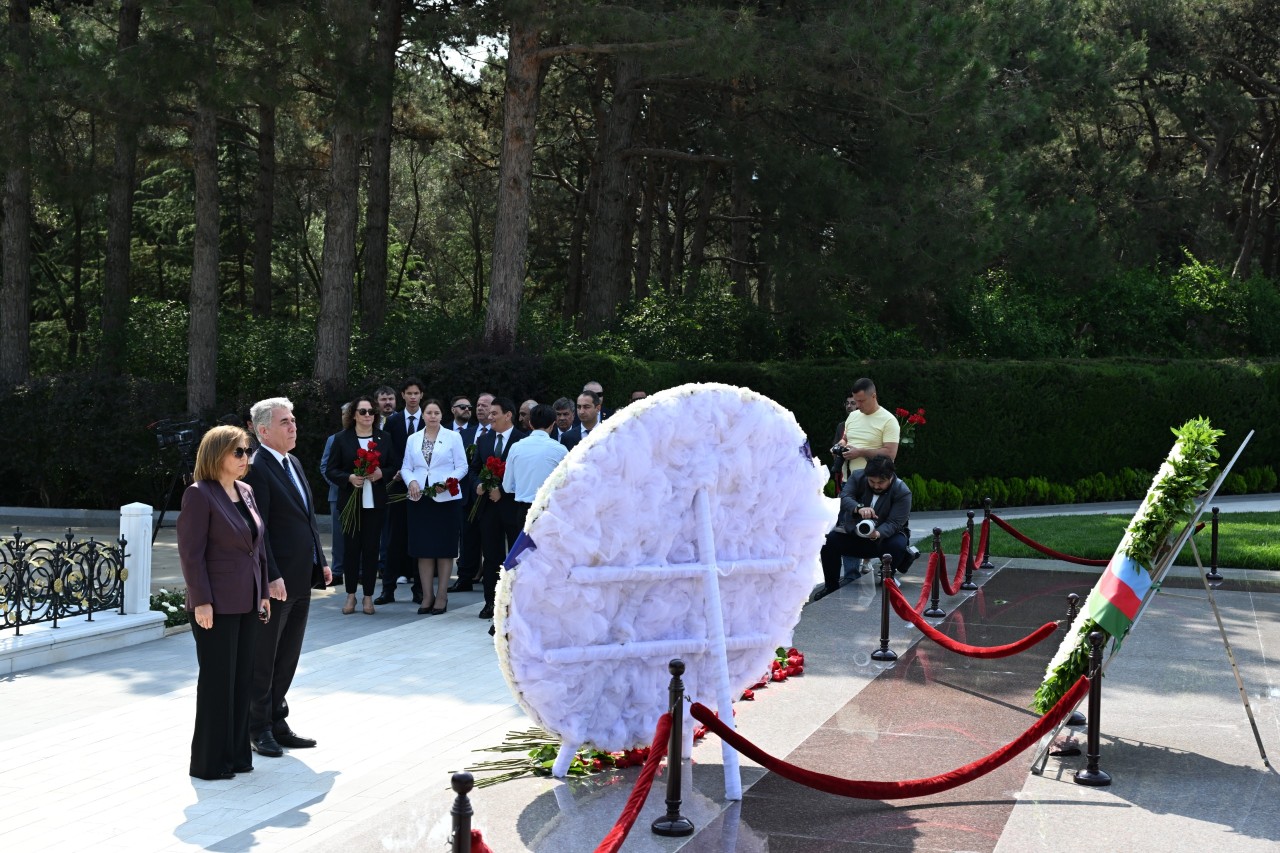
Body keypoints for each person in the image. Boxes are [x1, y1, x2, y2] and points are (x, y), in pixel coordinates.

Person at [178, 425, 272, 781]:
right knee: (218, 681)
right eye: (238, 452)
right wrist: (201, 601)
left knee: (241, 680)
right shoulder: (199, 494)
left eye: (247, 451)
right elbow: (191, 554)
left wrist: (263, 591)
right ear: (217, 454)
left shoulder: (246, 491)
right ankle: (209, 762)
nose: (245, 458)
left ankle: (236, 756)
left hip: (248, 600)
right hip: (215, 604)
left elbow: (258, 547)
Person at [243, 397, 331, 759]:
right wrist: (271, 576)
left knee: (288, 656)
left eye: (293, 419)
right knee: (265, 656)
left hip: (301, 577)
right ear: (263, 430)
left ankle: (278, 720)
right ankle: (257, 727)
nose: (293, 426)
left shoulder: (292, 461)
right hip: (277, 583)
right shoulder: (257, 467)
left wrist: (321, 560)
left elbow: (307, 518)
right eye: (284, 422)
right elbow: (258, 529)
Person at [325, 395, 396, 616]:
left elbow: (394, 465)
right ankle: (350, 596)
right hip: (350, 504)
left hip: (375, 504)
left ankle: (368, 597)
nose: (367, 415)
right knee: (351, 551)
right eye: (363, 411)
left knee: (371, 550)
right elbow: (330, 469)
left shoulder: (384, 438)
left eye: (371, 412)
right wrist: (348, 478)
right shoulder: (341, 438)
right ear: (353, 414)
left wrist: (380, 474)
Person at [401, 398, 469, 615]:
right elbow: (406, 467)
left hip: (445, 500)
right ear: (423, 415)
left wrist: (448, 482)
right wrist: (411, 481)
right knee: (424, 550)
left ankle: (442, 596)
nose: (432, 416)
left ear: (442, 415)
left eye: (436, 413)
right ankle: (427, 595)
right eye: (429, 412)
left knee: (444, 550)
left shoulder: (453, 437)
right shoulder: (413, 439)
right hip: (420, 499)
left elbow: (462, 466)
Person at [818, 455, 916, 597]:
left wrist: (877, 533)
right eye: (872, 481)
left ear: (891, 477)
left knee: (898, 544)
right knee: (829, 541)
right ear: (866, 475)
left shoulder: (902, 491)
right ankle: (831, 586)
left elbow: (895, 523)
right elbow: (844, 496)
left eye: (881, 482)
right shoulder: (858, 476)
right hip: (854, 535)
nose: (876, 486)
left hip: (884, 540)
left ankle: (887, 575)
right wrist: (858, 508)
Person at [472, 396, 528, 618]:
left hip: (513, 508)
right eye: (489, 413)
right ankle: (490, 603)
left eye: (494, 413)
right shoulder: (484, 440)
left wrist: (502, 490)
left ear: (508, 415)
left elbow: (523, 475)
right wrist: (478, 484)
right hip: (488, 508)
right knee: (491, 556)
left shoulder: (522, 441)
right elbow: (474, 469)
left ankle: (516, 603)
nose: (490, 417)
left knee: (515, 557)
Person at [376, 377, 426, 605]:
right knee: (393, 538)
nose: (413, 397)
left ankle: (419, 589)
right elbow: (388, 449)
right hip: (397, 486)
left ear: (421, 396)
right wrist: (398, 471)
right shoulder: (393, 422)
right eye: (409, 393)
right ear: (403, 396)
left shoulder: (429, 419)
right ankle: (388, 589)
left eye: (417, 393)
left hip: (423, 487)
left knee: (418, 538)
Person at [451, 392, 494, 593]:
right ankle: (464, 578)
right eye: (478, 405)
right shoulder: (464, 435)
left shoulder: (500, 434)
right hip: (467, 494)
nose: (479, 408)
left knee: (490, 538)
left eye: (485, 405)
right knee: (467, 537)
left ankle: (491, 577)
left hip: (492, 496)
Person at [501, 404, 567, 531]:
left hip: (524, 511)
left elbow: (507, 486)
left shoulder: (516, 447)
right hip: (550, 511)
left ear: (530, 423)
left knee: (526, 550)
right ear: (553, 424)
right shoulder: (560, 449)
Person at [838, 377, 899, 480]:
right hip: (853, 481)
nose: (857, 405)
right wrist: (840, 446)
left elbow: (890, 454)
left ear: (873, 396)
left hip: (878, 483)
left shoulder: (889, 420)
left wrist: (861, 452)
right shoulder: (852, 416)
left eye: (861, 401)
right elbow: (845, 439)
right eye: (856, 401)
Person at [318, 403, 351, 589]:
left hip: (363, 494)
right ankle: (337, 572)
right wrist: (342, 484)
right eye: (343, 413)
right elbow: (324, 467)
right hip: (338, 494)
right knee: (338, 537)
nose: (346, 416)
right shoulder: (333, 439)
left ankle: (360, 570)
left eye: (349, 413)